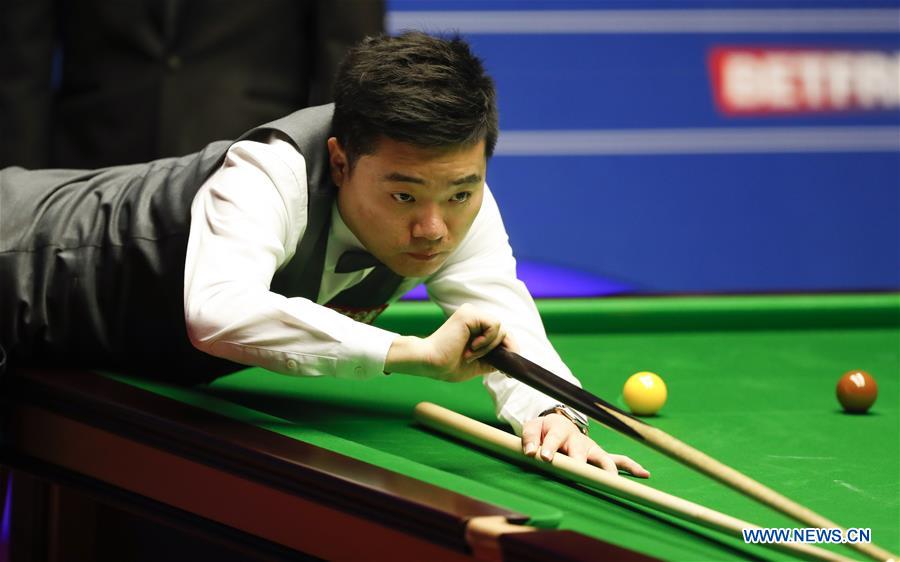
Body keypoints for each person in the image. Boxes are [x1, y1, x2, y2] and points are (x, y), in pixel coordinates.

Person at [0, 32, 648, 476]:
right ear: (340, 161)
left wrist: (552, 411)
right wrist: (410, 355)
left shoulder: (451, 198)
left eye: (460, 192)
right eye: (403, 195)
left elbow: (496, 308)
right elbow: (218, 312)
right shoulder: (268, 173)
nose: (433, 228)